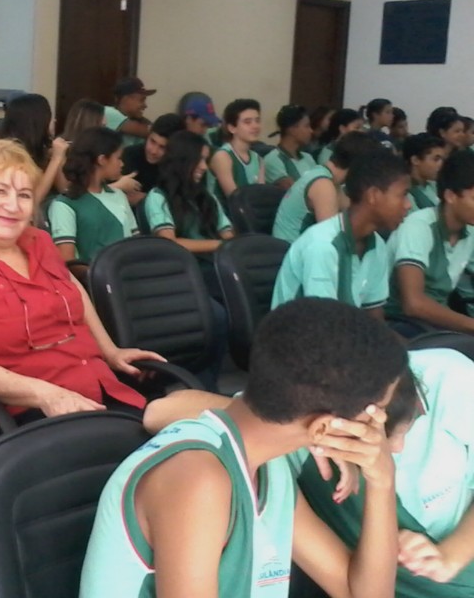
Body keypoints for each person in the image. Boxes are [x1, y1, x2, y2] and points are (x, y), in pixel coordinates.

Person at [80, 298, 406, 598]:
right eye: (374, 416)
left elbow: (360, 592)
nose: (375, 433)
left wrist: (382, 480)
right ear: (323, 427)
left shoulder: (267, 464)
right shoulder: (199, 478)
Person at [0, 139, 163, 451]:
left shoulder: (38, 242)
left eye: (24, 195)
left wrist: (110, 351)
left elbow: (73, 289)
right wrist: (48, 394)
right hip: (16, 416)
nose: (13, 206)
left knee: (188, 439)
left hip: (94, 390)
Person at [294, 347, 474, 597]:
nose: (398, 449)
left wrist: (450, 556)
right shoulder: (298, 424)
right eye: (384, 439)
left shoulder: (450, 377)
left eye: (409, 424)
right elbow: (231, 411)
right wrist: (309, 438)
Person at [272, 151, 410, 315]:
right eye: (403, 195)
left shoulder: (377, 245)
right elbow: (323, 325)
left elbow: (374, 319)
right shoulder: (322, 245)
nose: (408, 205)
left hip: (341, 333)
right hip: (299, 336)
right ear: (374, 195)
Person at [384, 150, 474, 337]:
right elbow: (413, 304)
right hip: (398, 324)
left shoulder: (470, 230)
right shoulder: (419, 227)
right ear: (450, 196)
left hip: (438, 323)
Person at [273, 132, 381, 243]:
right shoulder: (323, 185)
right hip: (289, 252)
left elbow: (353, 212)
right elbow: (331, 239)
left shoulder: (328, 178)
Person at [49, 127, 139, 262]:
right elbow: (67, 261)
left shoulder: (118, 195)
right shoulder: (64, 205)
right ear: (102, 159)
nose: (122, 164)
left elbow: (136, 243)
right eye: (118, 158)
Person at [143, 131, 233, 254]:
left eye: (206, 160)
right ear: (182, 161)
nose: (204, 167)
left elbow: (227, 234)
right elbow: (169, 242)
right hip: (182, 267)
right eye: (199, 160)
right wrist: (220, 244)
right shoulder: (158, 196)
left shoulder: (207, 197)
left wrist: (230, 245)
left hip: (216, 262)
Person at [0, 92, 66, 204]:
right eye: (50, 117)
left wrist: (59, 157)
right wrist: (55, 160)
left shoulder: (42, 148)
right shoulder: (10, 152)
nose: (54, 121)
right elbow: (32, 198)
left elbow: (64, 190)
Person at [120, 113, 185, 205]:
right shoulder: (130, 154)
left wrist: (147, 198)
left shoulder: (180, 166)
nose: (154, 151)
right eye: (152, 141)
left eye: (162, 147)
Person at [207, 98, 264, 203]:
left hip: (251, 215)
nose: (255, 126)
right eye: (247, 122)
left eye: (257, 120)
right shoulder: (223, 156)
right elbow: (235, 199)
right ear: (232, 128)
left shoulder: (258, 159)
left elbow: (261, 197)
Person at [264, 104, 316, 188]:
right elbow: (293, 191)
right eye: (306, 126)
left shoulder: (308, 158)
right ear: (292, 129)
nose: (311, 131)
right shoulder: (273, 160)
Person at [104, 77, 156, 148]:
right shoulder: (108, 113)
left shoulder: (139, 121)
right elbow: (154, 133)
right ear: (126, 99)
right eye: (141, 100)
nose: (145, 105)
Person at [404, 133, 446, 212]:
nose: (441, 164)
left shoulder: (434, 185)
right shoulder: (406, 191)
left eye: (442, 159)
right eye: (436, 159)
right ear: (415, 160)